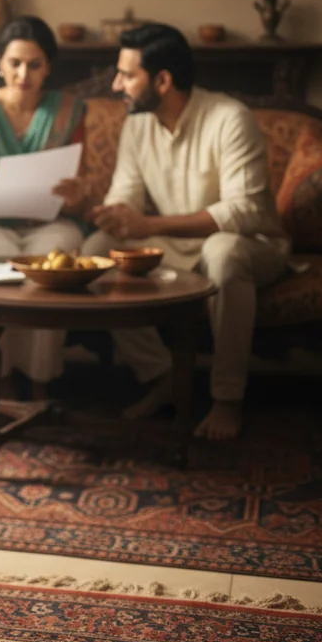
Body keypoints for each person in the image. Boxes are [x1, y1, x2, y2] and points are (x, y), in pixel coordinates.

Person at [84, 23, 289, 440]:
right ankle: (161, 375)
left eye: (126, 74)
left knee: (223, 253)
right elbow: (126, 199)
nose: (116, 84)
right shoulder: (137, 124)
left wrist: (148, 225)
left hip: (252, 245)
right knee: (96, 248)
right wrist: (98, 208)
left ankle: (226, 400)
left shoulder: (229, 118)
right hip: (174, 246)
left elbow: (245, 211)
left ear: (162, 80)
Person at [0, 17, 90, 400]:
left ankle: (41, 380)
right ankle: (0, 377)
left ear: (49, 67)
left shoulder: (69, 110)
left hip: (49, 221)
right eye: (14, 63)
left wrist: (78, 195)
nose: (23, 73)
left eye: (35, 64)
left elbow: (78, 196)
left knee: (56, 259)